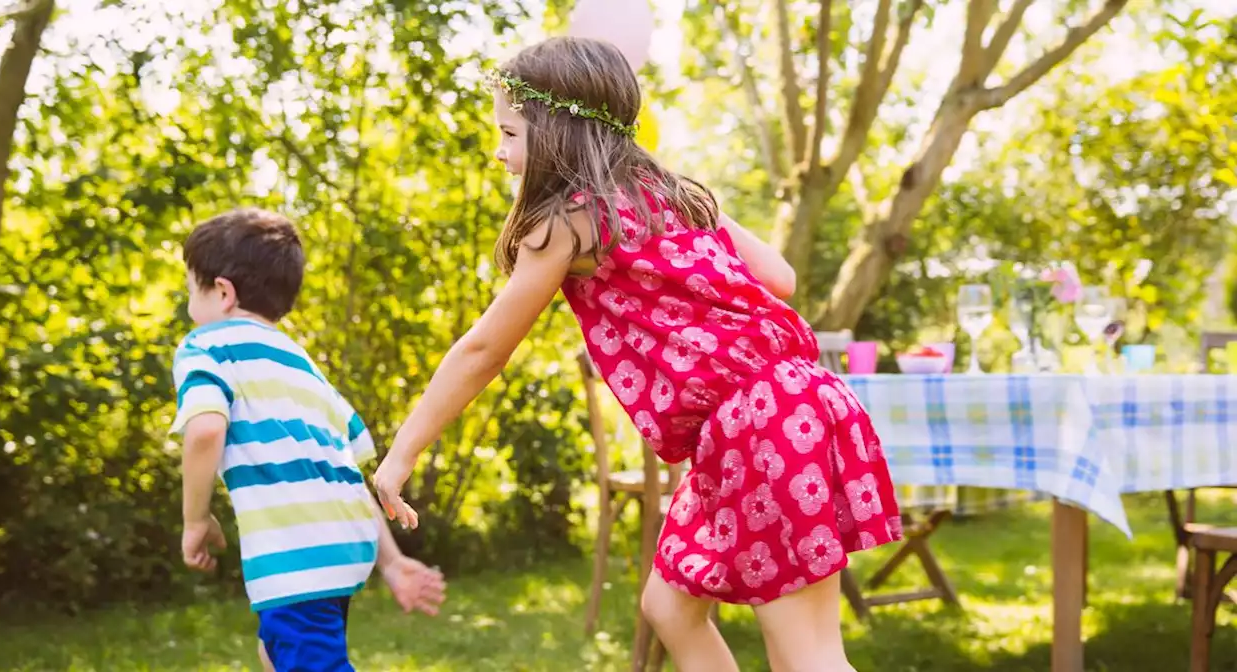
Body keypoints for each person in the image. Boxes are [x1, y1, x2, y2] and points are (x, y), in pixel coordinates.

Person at [372, 37, 903, 671]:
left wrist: (401, 452)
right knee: (669, 606)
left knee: (809, 655)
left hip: (757, 425)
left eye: (509, 132)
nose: (500, 150)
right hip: (793, 401)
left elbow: (484, 349)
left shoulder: (569, 220)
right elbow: (781, 278)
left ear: (552, 130)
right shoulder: (674, 194)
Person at [171, 208, 445, 672]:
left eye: (190, 289)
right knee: (275, 653)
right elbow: (344, 473)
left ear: (221, 292)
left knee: (302, 658)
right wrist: (392, 562)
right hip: (342, 548)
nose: (188, 305)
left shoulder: (207, 346)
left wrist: (195, 520)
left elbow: (205, 430)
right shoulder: (302, 366)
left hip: (296, 563)